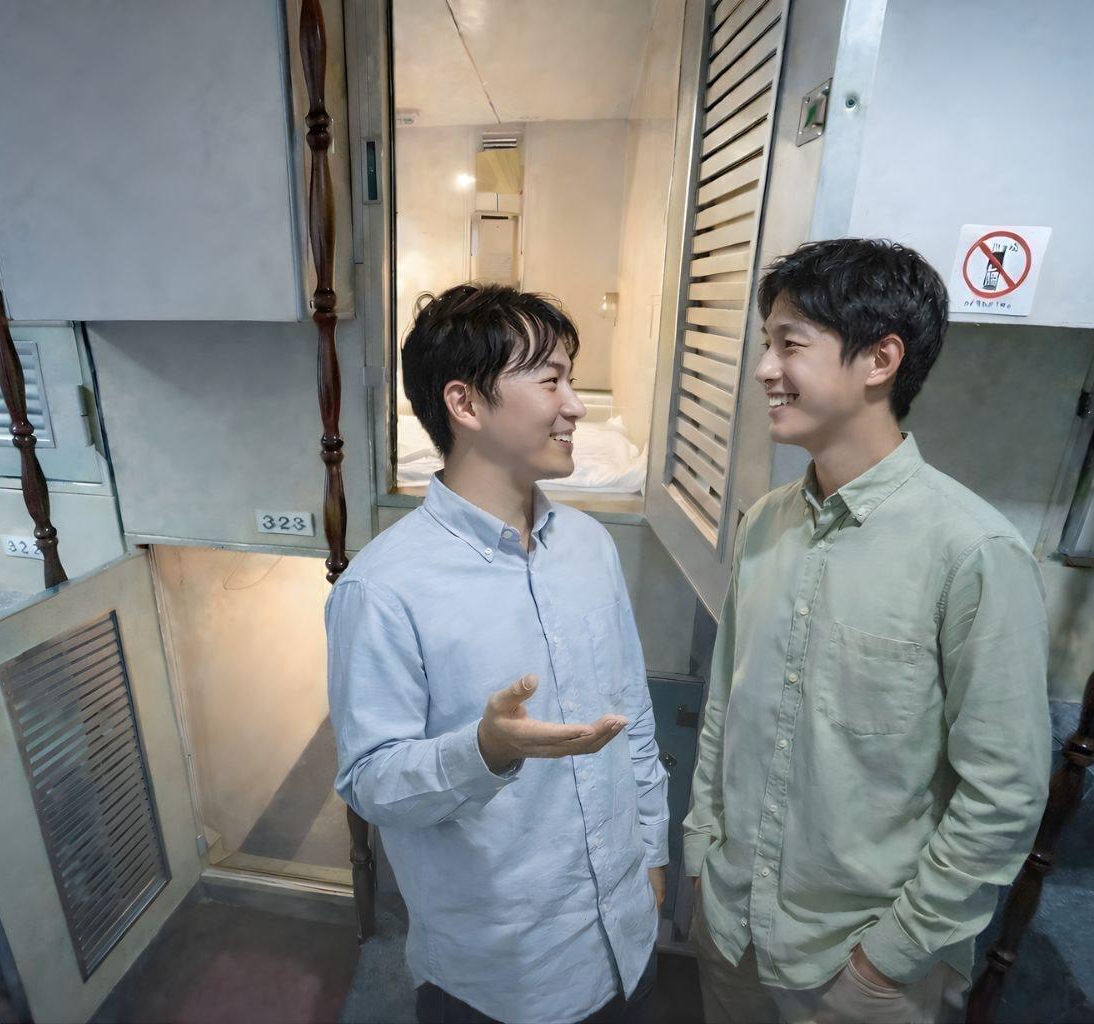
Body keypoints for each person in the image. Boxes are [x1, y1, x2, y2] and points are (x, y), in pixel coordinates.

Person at [683, 238, 1051, 1024]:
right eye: (766, 344)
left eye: (790, 345)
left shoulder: (972, 550)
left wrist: (890, 957)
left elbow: (1004, 791)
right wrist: (701, 856)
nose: (764, 370)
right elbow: (726, 708)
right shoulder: (764, 524)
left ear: (880, 359)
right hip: (731, 926)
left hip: (859, 961)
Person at [327, 283, 670, 1024]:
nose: (575, 406)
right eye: (550, 380)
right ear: (466, 404)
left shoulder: (589, 547)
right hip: (503, 978)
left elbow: (633, 718)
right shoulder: (383, 588)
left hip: (626, 935)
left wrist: (651, 854)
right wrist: (483, 750)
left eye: (572, 380)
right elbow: (370, 783)